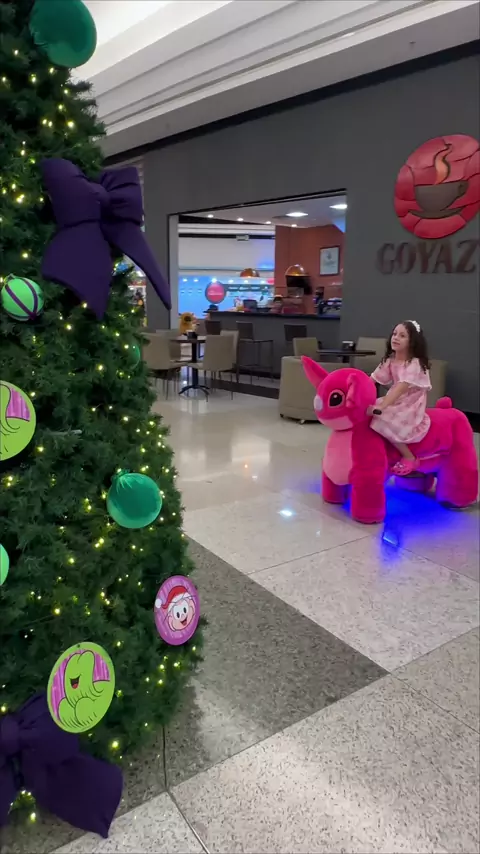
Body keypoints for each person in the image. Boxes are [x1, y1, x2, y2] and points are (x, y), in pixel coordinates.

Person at [368, 320, 431, 476]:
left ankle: (409, 456)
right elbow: (373, 378)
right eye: (395, 334)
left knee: (383, 418)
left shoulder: (414, 363)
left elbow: (401, 388)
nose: (396, 338)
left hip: (410, 402)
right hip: (395, 398)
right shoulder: (390, 360)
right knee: (369, 410)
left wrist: (382, 407)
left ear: (412, 342)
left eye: (402, 336)